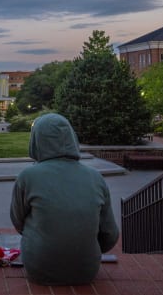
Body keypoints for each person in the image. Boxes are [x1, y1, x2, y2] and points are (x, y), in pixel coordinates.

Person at [9, 113, 119, 285]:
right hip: (86, 270)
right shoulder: (95, 177)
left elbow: (18, 222)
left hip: (39, 268)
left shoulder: (27, 177)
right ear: (71, 138)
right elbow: (110, 234)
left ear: (36, 141)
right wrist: (83, 247)